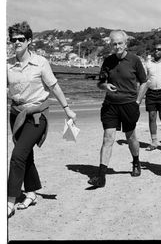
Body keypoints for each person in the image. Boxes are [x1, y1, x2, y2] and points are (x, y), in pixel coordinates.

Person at [7, 21, 77, 218]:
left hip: (37, 116)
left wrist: (67, 109)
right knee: (26, 155)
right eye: (13, 39)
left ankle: (9, 201)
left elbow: (54, 87)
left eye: (21, 39)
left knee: (18, 155)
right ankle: (31, 193)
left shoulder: (41, 63)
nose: (17, 42)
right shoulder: (8, 65)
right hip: (16, 115)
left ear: (29, 40)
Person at [88, 30, 147, 188]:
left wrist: (137, 101)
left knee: (131, 138)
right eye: (114, 43)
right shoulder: (108, 61)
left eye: (120, 43)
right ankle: (101, 177)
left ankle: (136, 162)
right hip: (110, 105)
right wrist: (105, 85)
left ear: (125, 43)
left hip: (129, 104)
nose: (117, 46)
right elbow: (100, 83)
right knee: (108, 138)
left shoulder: (134, 60)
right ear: (111, 44)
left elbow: (144, 82)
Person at [142, 43, 161, 151]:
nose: (156, 51)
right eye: (155, 49)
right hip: (151, 92)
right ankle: (154, 141)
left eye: (159, 49)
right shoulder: (148, 63)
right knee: (151, 116)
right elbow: (144, 79)